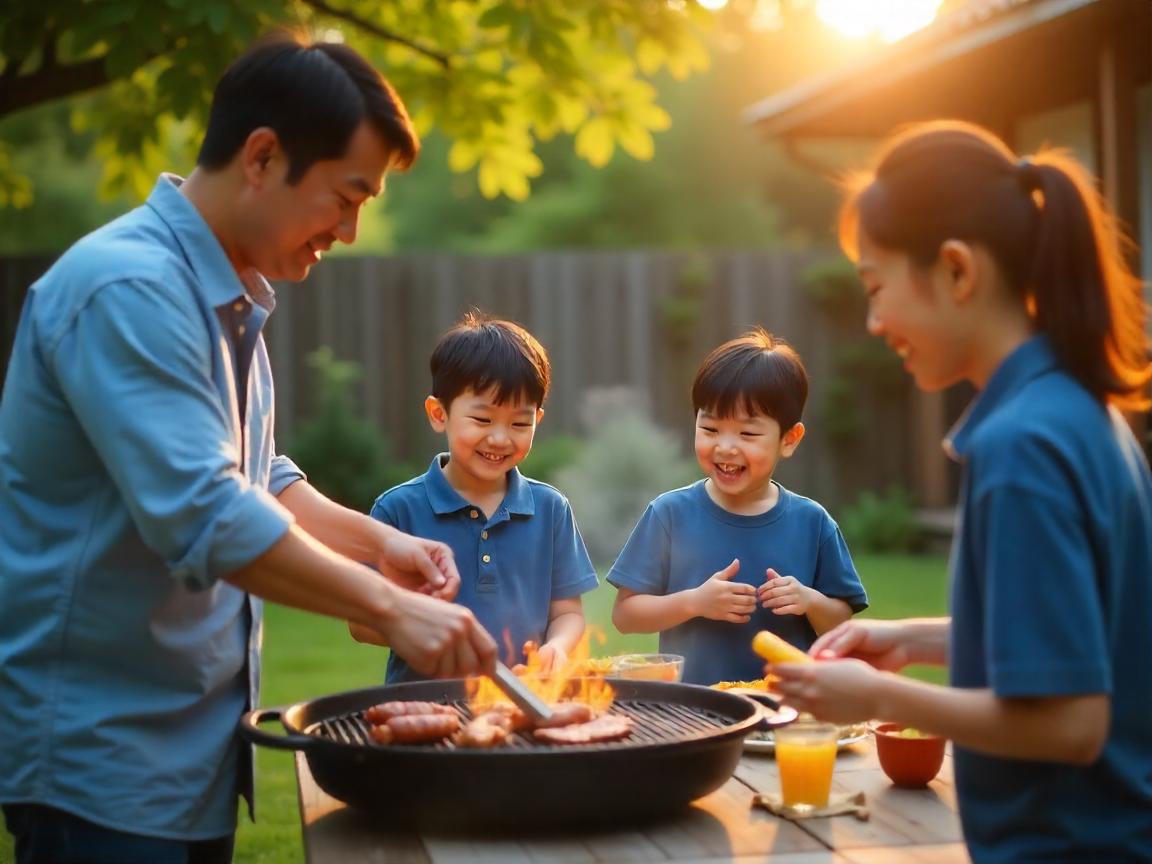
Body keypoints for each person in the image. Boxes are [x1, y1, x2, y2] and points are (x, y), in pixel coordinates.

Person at [0, 33, 497, 864]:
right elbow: (207, 515)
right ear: (262, 156)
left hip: (186, 759)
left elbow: (257, 478)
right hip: (102, 767)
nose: (350, 230)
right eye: (346, 196)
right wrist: (390, 607)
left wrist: (381, 546)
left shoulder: (225, 297)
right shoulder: (129, 288)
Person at [769, 120, 1152, 862]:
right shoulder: (1075, 409)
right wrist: (911, 640)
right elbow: (1079, 635)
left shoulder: (1022, 448)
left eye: (877, 288)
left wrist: (878, 697)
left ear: (955, 270)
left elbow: (1071, 723)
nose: (874, 322)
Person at [608, 328, 868, 685]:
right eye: (710, 429)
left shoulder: (812, 523)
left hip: (785, 705)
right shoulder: (669, 514)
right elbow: (625, 615)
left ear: (789, 439)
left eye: (747, 434)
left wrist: (809, 601)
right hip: (694, 708)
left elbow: (840, 623)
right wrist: (695, 602)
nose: (726, 447)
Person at [352, 312, 599, 680]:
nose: (500, 438)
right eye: (482, 420)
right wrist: (419, 626)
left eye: (519, 423)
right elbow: (360, 624)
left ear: (537, 420)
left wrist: (557, 648)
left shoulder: (551, 509)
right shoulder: (398, 509)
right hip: (423, 703)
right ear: (439, 414)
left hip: (523, 698)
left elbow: (568, 613)